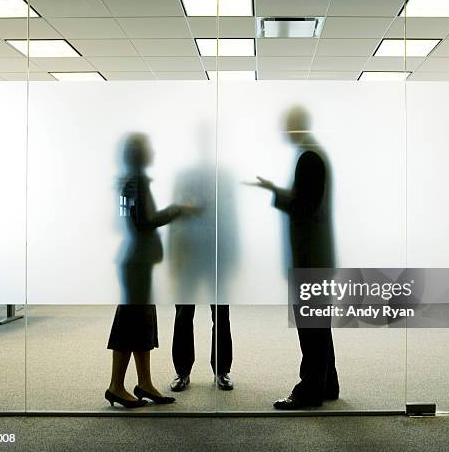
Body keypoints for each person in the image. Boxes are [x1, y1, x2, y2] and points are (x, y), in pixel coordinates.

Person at [249, 106, 340, 410]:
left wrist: (277, 194)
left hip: (310, 258)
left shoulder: (309, 157)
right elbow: (306, 198)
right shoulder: (314, 154)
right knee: (318, 324)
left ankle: (309, 391)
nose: (284, 132)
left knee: (311, 328)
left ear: (295, 126)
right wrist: (277, 189)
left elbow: (304, 206)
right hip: (317, 256)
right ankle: (328, 384)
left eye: (287, 126)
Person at [105, 133, 196, 408]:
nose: (153, 152)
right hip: (136, 262)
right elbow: (145, 221)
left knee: (140, 321)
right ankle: (116, 386)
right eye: (148, 148)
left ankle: (144, 383)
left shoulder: (131, 180)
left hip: (137, 261)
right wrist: (179, 209)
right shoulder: (136, 182)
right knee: (131, 321)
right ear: (138, 154)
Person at [168, 135, 238, 392]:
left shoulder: (224, 177)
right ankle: (182, 371)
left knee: (220, 315)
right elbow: (175, 215)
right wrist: (174, 255)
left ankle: (222, 371)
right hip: (189, 253)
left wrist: (232, 255)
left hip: (216, 253)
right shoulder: (184, 176)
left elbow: (232, 217)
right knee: (184, 314)